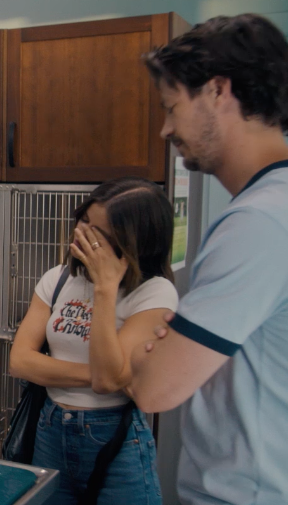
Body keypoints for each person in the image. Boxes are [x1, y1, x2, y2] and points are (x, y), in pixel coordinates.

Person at [127, 14, 288, 505]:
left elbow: (154, 388)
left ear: (218, 91)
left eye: (171, 106)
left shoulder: (261, 222)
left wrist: (142, 348)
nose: (165, 129)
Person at [10, 177, 178, 504]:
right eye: (83, 220)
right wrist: (107, 375)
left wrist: (105, 288)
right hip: (51, 426)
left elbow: (107, 381)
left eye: (97, 231)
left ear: (131, 242)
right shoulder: (56, 279)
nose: (81, 233)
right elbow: (20, 361)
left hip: (115, 436)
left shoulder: (155, 293)